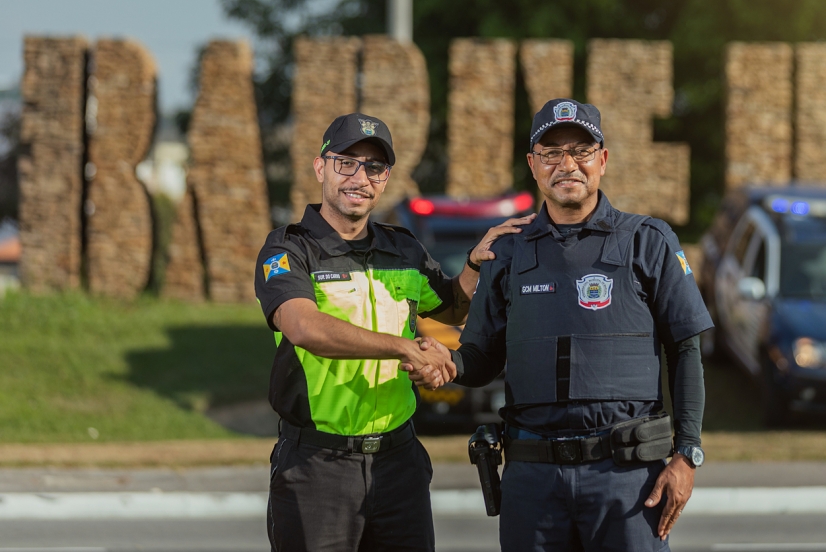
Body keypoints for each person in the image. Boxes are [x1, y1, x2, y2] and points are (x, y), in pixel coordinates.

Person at [413, 98, 711, 551]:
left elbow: (686, 349)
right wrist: (448, 364)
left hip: (627, 479)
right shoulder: (507, 252)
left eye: (581, 151)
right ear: (533, 165)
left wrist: (687, 453)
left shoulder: (648, 241)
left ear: (603, 161)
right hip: (534, 480)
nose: (567, 165)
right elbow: (480, 358)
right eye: (551, 153)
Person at [254, 112, 533, 552]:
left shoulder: (404, 248)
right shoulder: (287, 249)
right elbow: (303, 327)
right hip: (317, 465)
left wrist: (476, 263)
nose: (359, 177)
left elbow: (450, 306)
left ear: (385, 180)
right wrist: (402, 347)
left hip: (399, 461)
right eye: (346, 162)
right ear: (320, 166)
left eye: (374, 167)